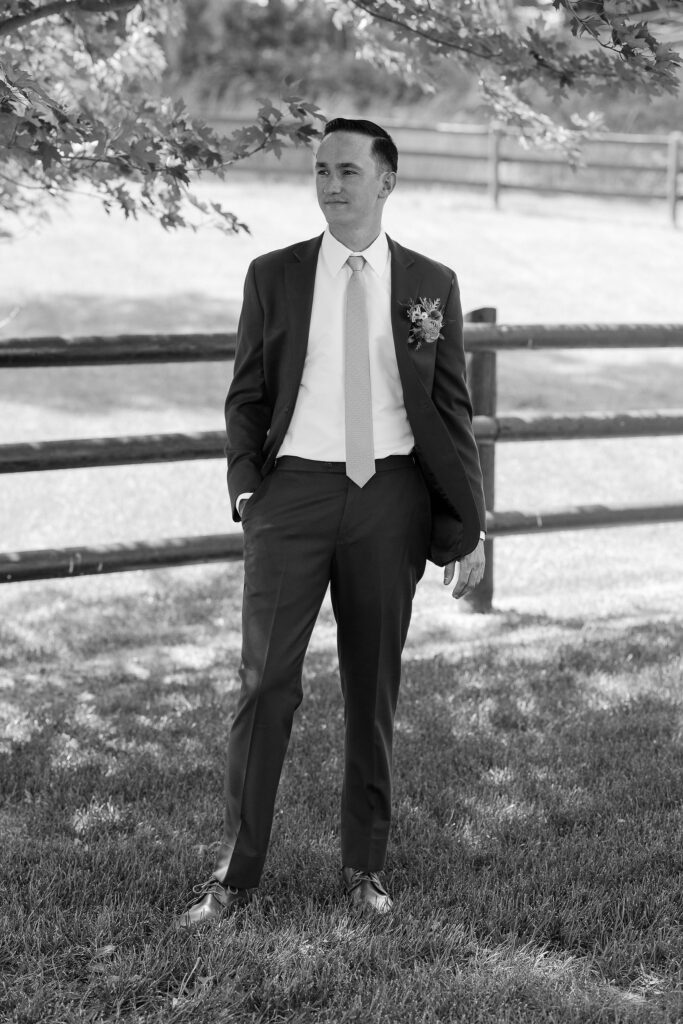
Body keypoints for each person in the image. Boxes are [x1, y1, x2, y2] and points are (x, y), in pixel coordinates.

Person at [177, 117, 486, 927]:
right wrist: (248, 492)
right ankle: (237, 875)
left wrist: (468, 524)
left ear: (386, 180)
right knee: (265, 685)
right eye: (320, 170)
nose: (330, 183)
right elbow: (246, 394)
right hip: (292, 500)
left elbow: (450, 411)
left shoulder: (429, 283)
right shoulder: (273, 275)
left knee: (370, 689)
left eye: (348, 170)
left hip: (389, 499)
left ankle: (365, 868)